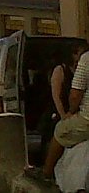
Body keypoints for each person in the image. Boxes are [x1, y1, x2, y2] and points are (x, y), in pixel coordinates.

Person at [29, 46, 89, 184]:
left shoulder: (86, 60)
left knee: (60, 130)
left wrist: (71, 112)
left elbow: (75, 95)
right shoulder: (61, 70)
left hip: (86, 118)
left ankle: (46, 172)